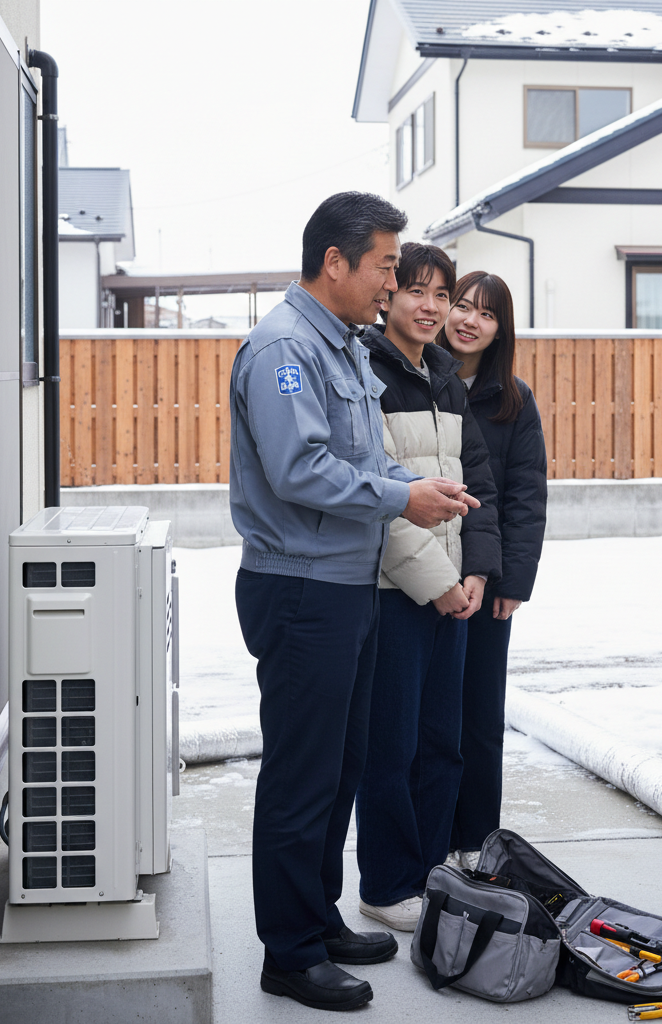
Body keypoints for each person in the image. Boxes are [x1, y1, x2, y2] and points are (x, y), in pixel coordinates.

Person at [229, 192, 480, 1012]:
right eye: (382, 265)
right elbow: (300, 470)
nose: (392, 282)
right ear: (334, 262)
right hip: (302, 588)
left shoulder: (341, 348)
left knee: (339, 770)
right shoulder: (284, 352)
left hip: (345, 585)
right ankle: (290, 953)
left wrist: (414, 481)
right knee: (303, 777)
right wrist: (400, 499)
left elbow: (359, 456)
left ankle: (318, 918)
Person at [355, 243, 501, 931]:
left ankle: (431, 874)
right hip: (393, 594)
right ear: (387, 296)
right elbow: (375, 497)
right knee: (394, 746)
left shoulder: (447, 377)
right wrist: (441, 582)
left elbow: (482, 488)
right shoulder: (365, 373)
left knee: (445, 743)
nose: (432, 307)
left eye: (442, 295)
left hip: (454, 594)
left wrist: (474, 573)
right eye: (417, 291)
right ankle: (386, 886)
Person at [438, 271, 548, 868]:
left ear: (500, 329)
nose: (468, 320)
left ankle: (476, 845)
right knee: (428, 721)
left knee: (479, 719)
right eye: (460, 306)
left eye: (485, 313)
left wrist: (512, 581)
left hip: (489, 578)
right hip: (421, 572)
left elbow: (527, 495)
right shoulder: (418, 379)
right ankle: (430, 845)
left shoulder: (514, 399)